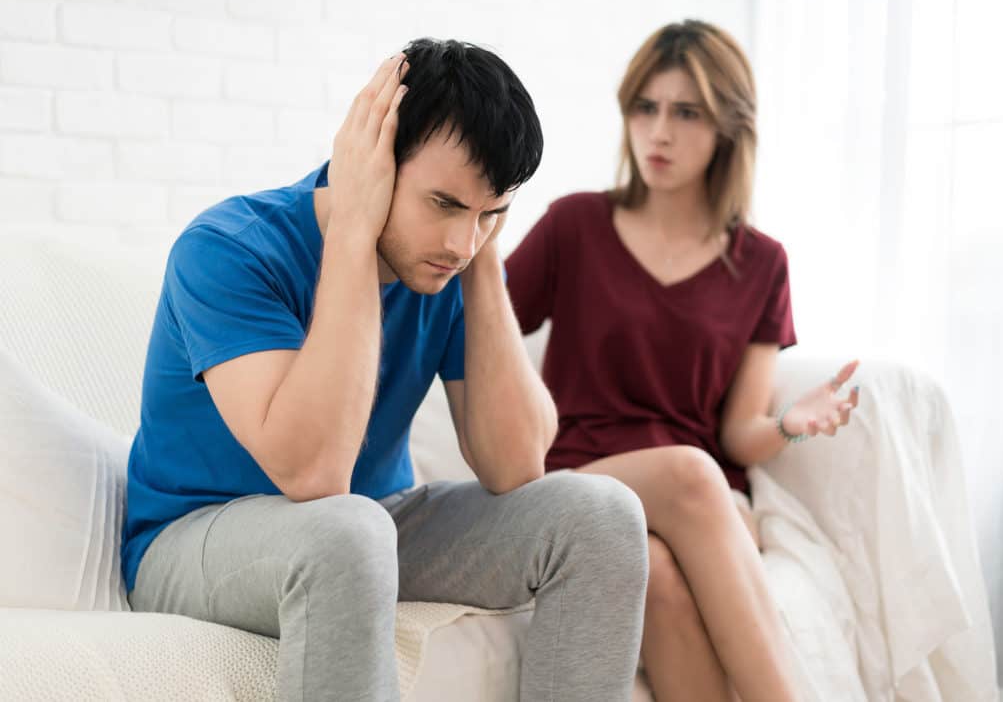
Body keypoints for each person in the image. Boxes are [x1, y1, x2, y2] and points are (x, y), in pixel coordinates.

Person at [122, 38, 650, 702]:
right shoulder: (229, 248)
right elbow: (315, 474)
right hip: (193, 536)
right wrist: (352, 227)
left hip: (370, 524)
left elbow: (514, 465)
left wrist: (484, 259)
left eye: (493, 211)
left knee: (602, 515)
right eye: (444, 204)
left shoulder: (454, 262)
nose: (462, 241)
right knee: (348, 530)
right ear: (375, 160)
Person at [506, 20, 860, 702]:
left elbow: (737, 434)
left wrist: (791, 420)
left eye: (686, 112)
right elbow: (467, 328)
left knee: (661, 572)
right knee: (691, 477)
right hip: (586, 477)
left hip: (695, 502)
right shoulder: (572, 225)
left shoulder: (762, 262)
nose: (658, 132)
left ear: (727, 126)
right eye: (646, 107)